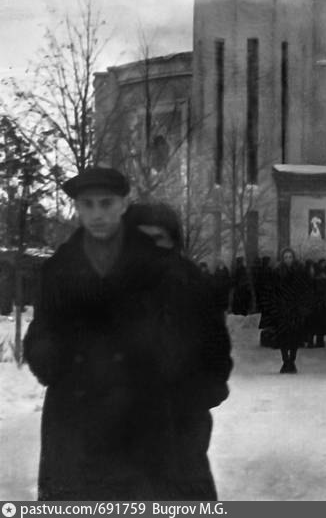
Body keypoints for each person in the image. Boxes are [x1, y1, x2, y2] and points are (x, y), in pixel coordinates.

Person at [23, 168, 201, 499]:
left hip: (141, 423)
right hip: (74, 423)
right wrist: (50, 355)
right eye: (87, 205)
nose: (97, 214)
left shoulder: (159, 268)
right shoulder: (58, 270)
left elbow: (183, 339)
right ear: (77, 208)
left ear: (123, 205)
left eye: (106, 203)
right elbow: (40, 335)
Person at [122, 202, 233, 501]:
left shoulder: (194, 285)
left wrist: (196, 400)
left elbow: (217, 354)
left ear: (173, 240)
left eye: (156, 239)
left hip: (182, 434)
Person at [268, 248, 313, 373]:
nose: (288, 259)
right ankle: (285, 360)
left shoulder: (300, 271)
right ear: (282, 259)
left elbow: (305, 289)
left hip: (295, 309)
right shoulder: (277, 272)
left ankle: (292, 360)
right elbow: (273, 290)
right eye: (285, 257)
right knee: (283, 336)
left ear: (293, 258)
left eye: (290, 257)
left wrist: (303, 306)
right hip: (282, 309)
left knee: (295, 336)